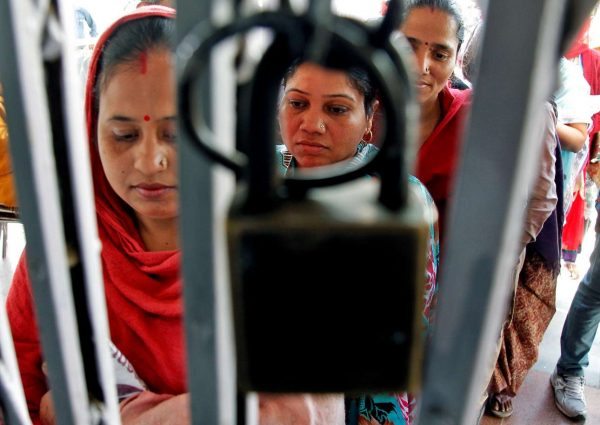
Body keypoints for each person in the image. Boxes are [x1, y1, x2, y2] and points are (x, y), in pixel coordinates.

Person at [276, 60, 439, 424]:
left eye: (336, 109)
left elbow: (406, 324)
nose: (312, 125)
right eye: (298, 103)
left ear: (369, 116)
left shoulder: (399, 202)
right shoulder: (258, 179)